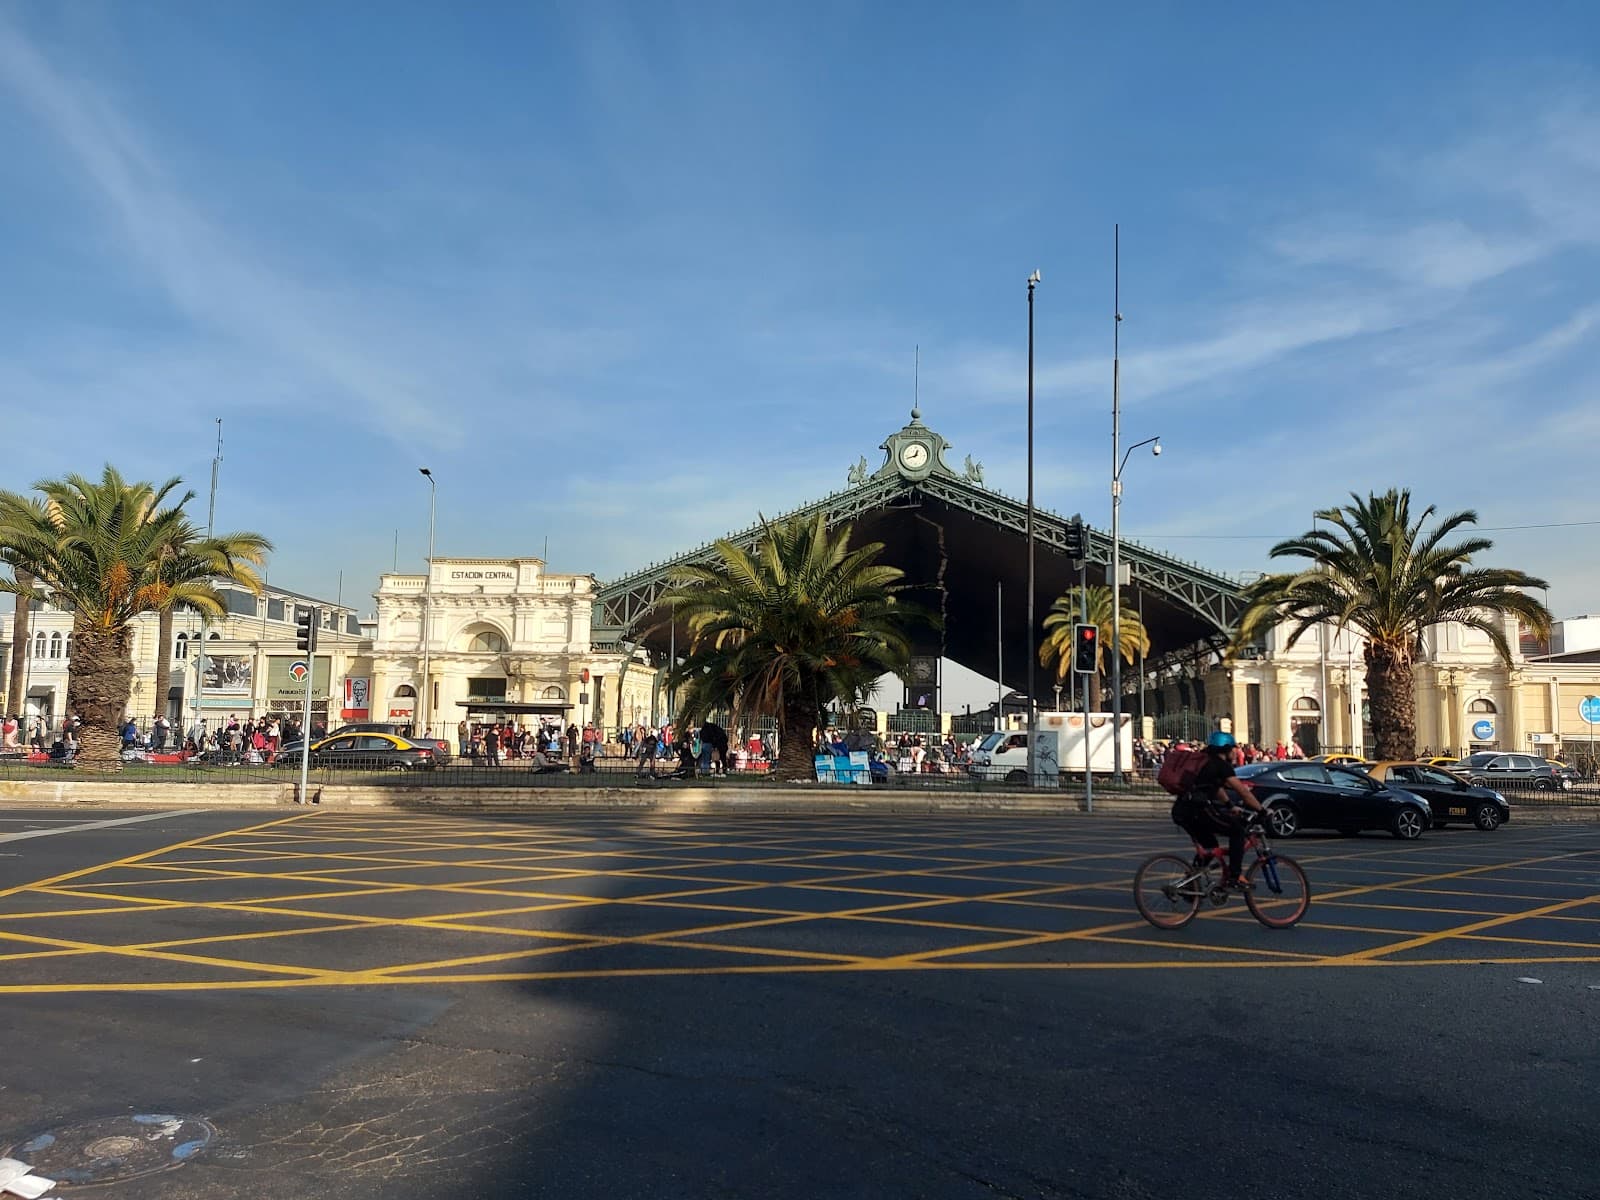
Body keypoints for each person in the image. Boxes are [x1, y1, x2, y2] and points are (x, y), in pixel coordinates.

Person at [1171, 731, 1267, 889]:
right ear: (1226, 749)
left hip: (1183, 810)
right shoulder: (1220, 765)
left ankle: (1189, 884)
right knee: (1237, 831)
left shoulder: (1205, 761)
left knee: (1210, 846)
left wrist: (1230, 805)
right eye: (1233, 748)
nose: (1236, 752)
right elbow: (1243, 792)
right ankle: (1235, 877)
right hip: (1198, 810)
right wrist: (1262, 811)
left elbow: (1215, 788)